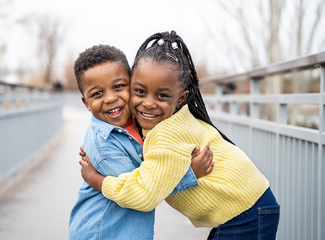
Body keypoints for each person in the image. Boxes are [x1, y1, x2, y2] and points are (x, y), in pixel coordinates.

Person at [80, 31, 280, 240]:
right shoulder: (173, 118)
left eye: (162, 95)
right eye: (139, 91)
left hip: (246, 213)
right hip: (245, 208)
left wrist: (96, 180)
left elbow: (144, 193)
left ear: (180, 98)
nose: (148, 103)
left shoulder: (166, 135)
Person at [69, 44, 214, 240]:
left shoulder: (139, 120)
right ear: (86, 103)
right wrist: (190, 174)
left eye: (118, 86)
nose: (111, 98)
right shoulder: (103, 146)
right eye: (97, 94)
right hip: (103, 232)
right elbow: (144, 190)